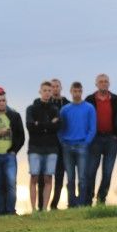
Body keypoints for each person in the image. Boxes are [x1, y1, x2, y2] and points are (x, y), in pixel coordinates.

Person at [57, 82, 96, 207]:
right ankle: (71, 203)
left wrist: (87, 141)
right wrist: (62, 141)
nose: (77, 93)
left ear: (82, 91)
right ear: (71, 91)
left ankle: (82, 203)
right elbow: (60, 128)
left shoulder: (89, 108)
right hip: (67, 146)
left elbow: (92, 127)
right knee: (70, 177)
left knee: (83, 177)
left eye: (79, 91)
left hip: (82, 145)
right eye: (75, 91)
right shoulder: (65, 109)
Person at [85, 74, 117, 205]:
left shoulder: (116, 99)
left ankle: (101, 199)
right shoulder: (89, 100)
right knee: (91, 171)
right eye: (101, 82)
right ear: (96, 84)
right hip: (95, 139)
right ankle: (88, 199)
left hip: (111, 139)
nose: (103, 83)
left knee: (107, 172)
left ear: (109, 83)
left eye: (106, 81)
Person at [25, 81, 61, 212]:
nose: (47, 93)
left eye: (49, 90)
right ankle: (34, 209)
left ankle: (45, 209)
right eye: (44, 90)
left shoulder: (55, 109)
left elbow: (57, 126)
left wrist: (39, 124)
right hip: (35, 147)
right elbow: (30, 126)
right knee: (34, 176)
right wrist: (48, 125)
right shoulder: (31, 108)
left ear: (52, 92)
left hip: (51, 148)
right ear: (40, 91)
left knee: (48, 177)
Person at [49, 78, 69, 210]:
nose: (55, 89)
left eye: (57, 86)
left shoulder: (67, 103)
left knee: (60, 175)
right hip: (49, 144)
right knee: (45, 176)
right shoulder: (44, 103)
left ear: (61, 88)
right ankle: (43, 204)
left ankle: (55, 203)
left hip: (64, 144)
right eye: (53, 87)